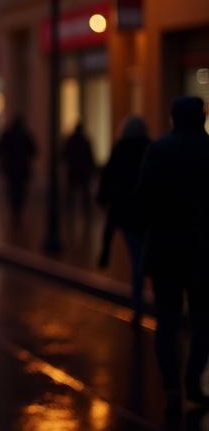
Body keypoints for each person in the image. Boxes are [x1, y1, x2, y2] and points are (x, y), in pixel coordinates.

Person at [136, 96, 209, 414]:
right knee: (203, 320)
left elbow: (143, 199)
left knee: (167, 321)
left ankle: (171, 387)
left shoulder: (159, 149)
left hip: (166, 248)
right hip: (203, 250)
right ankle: (193, 382)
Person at [96, 116, 151, 321]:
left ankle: (138, 304)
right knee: (143, 257)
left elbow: (108, 178)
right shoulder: (150, 148)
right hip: (147, 213)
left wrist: (102, 198)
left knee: (136, 259)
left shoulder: (119, 150)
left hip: (127, 213)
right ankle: (143, 300)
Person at [0, 114, 37, 225]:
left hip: (12, 168)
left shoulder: (9, 134)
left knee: (12, 190)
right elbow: (33, 150)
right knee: (20, 190)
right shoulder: (25, 134)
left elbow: (0, 149)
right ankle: (17, 211)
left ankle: (15, 211)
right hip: (21, 168)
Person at [63, 122, 96, 224]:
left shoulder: (71, 140)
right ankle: (86, 213)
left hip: (74, 170)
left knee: (73, 194)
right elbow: (90, 156)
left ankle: (70, 212)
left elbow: (64, 154)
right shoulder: (85, 141)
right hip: (82, 171)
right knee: (84, 194)